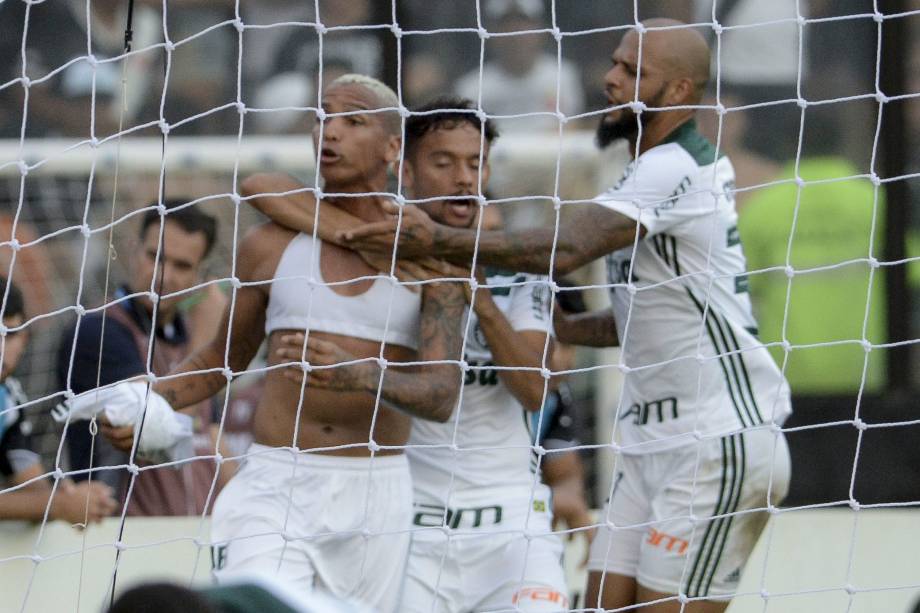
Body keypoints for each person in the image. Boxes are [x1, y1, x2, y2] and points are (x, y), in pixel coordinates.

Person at [340, 20, 793, 613]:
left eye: (633, 72)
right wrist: (564, 328)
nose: (610, 79)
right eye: (615, 63)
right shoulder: (643, 173)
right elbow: (646, 315)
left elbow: (567, 249)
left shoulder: (675, 168)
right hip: (651, 438)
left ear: (679, 92)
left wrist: (444, 246)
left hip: (715, 436)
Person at [60, 74, 465, 613]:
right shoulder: (269, 245)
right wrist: (149, 400)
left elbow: (441, 395)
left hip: (378, 495)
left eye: (353, 120)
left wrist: (359, 372)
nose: (331, 131)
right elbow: (220, 361)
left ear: (394, 148)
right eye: (323, 116)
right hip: (277, 485)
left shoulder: (431, 260)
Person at [257, 96, 570, 612]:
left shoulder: (520, 271)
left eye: (474, 164)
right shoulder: (378, 258)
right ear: (404, 169)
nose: (463, 178)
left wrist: (479, 299)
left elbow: (533, 389)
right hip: (413, 532)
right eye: (443, 163)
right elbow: (260, 188)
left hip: (514, 530)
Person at [56, 202, 232, 517]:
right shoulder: (100, 329)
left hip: (197, 533)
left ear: (200, 275)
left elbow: (209, 433)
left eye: (182, 266)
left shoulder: (187, 336)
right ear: (133, 250)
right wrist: (210, 340)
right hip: (126, 537)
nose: (164, 276)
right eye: (156, 257)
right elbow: (156, 423)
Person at [0, 277, 117, 525]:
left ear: (25, 339)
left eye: (9, 335)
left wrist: (72, 498)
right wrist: (59, 504)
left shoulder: (8, 401)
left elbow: (32, 487)